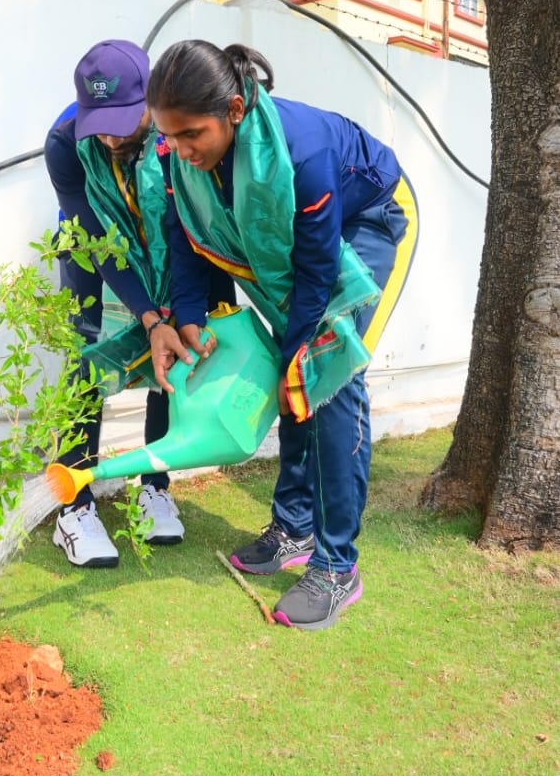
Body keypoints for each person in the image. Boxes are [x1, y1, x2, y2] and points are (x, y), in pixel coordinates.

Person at [146, 40, 419, 630]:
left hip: (370, 216)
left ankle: (336, 565)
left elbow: (318, 270)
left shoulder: (300, 150)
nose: (181, 150)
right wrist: (188, 313)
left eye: (193, 134)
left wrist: (303, 351)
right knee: (289, 373)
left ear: (235, 110)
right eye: (170, 138)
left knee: (326, 379)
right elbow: (182, 233)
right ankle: (293, 527)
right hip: (304, 248)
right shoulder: (181, 158)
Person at [44, 38, 233, 569]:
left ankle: (153, 485)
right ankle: (73, 507)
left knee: (173, 347)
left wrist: (166, 316)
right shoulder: (65, 143)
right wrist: (146, 316)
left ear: (150, 101)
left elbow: (184, 226)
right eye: (97, 120)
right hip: (94, 249)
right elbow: (96, 237)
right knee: (87, 356)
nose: (107, 134)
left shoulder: (177, 136)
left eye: (122, 119)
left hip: (171, 240)